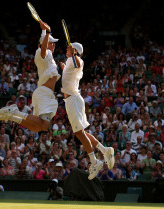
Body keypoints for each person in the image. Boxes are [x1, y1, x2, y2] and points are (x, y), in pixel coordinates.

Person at [59, 42, 114, 180]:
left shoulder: (77, 60)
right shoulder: (69, 62)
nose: (67, 49)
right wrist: (65, 68)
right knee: (81, 132)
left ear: (75, 51)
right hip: (71, 100)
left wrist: (74, 55)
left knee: (78, 133)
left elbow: (77, 62)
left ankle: (95, 162)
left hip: (74, 100)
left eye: (69, 48)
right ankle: (104, 150)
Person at [0, 21, 60, 133]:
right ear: (43, 43)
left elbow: (44, 44)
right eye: (50, 42)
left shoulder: (50, 57)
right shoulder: (42, 52)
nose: (53, 44)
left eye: (54, 43)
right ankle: (14, 112)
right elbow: (43, 49)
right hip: (44, 93)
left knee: (37, 128)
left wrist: (44, 31)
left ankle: (11, 116)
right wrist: (47, 32)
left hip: (47, 95)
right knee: (43, 126)